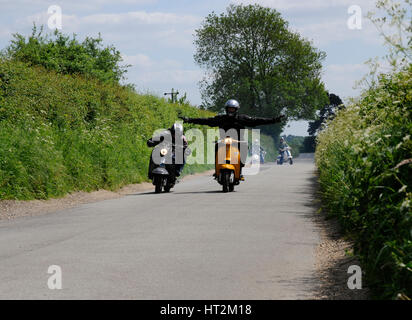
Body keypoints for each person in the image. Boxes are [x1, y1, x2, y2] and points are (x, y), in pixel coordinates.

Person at [180, 99, 285, 177]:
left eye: (232, 109)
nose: (231, 111)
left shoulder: (242, 118)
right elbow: (205, 120)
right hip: (224, 141)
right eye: (229, 109)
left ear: (236, 110)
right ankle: (217, 169)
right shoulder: (221, 118)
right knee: (217, 147)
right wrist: (189, 119)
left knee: (244, 149)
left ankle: (240, 169)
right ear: (226, 109)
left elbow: (257, 120)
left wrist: (274, 120)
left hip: (239, 141)